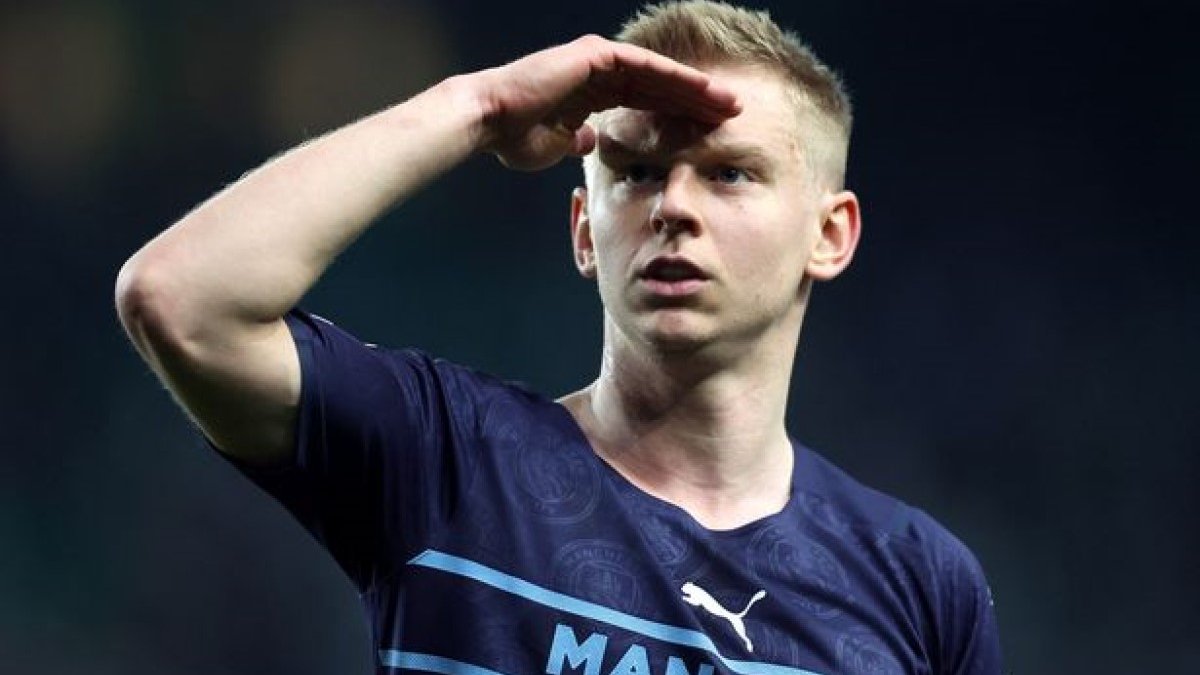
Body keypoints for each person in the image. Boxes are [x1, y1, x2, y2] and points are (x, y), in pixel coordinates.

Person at [116, 1, 1002, 673]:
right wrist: (477, 105)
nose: (674, 206)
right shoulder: (447, 460)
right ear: (585, 231)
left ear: (830, 234)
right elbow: (180, 299)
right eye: (637, 172)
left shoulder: (919, 583)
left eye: (730, 173)